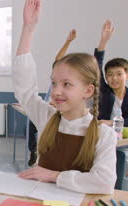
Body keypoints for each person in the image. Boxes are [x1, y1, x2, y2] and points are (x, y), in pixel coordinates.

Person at [14, 1, 117, 206]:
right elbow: (25, 89)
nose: (56, 91)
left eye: (66, 84)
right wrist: (29, 28)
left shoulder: (104, 135)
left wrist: (53, 175)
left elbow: (103, 182)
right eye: (54, 83)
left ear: (88, 91)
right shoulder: (48, 117)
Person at [95, 20, 128, 192]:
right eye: (110, 75)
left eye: (119, 74)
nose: (114, 78)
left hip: (126, 142)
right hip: (102, 140)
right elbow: (96, 65)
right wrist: (103, 42)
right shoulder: (105, 91)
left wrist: (111, 123)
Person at [28, 29, 77, 166]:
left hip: (59, 116)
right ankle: (33, 151)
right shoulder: (55, 85)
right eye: (55, 82)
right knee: (32, 124)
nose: (57, 89)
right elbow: (58, 60)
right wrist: (68, 41)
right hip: (49, 111)